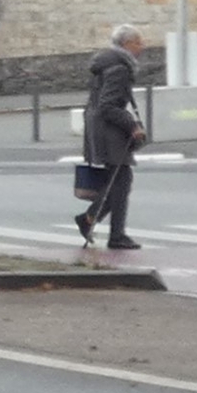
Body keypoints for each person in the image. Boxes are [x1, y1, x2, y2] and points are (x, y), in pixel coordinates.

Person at [76, 23, 147, 250]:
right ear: (126, 44)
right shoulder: (119, 68)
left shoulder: (106, 63)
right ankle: (111, 233)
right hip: (109, 131)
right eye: (138, 42)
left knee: (117, 182)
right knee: (121, 180)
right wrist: (132, 124)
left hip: (98, 128)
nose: (142, 47)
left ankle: (93, 221)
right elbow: (108, 105)